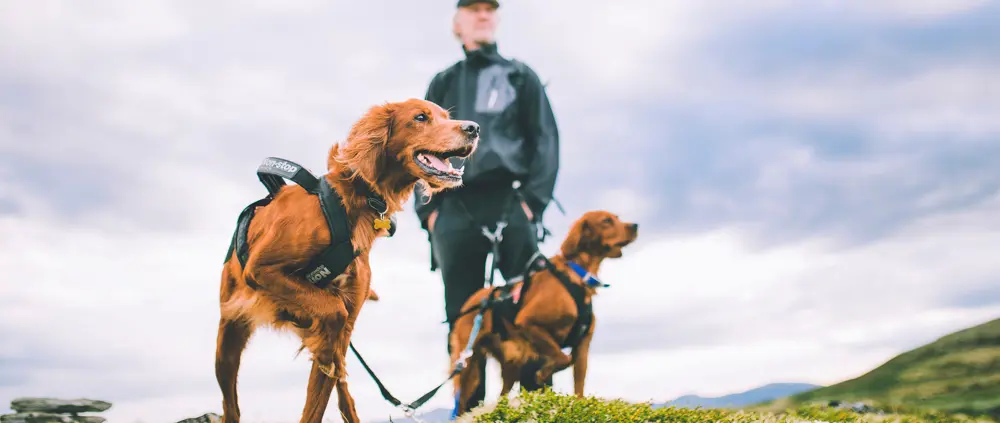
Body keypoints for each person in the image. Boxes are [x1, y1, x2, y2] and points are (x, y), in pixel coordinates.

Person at [413, 0, 560, 414]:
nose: (483, 15)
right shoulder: (443, 82)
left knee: (529, 309)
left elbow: (545, 141)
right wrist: (430, 215)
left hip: (512, 203)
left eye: (490, 9)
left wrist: (532, 203)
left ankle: (538, 410)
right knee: (462, 316)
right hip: (453, 206)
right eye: (473, 9)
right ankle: (471, 412)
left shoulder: (521, 76)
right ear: (457, 23)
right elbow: (416, 147)